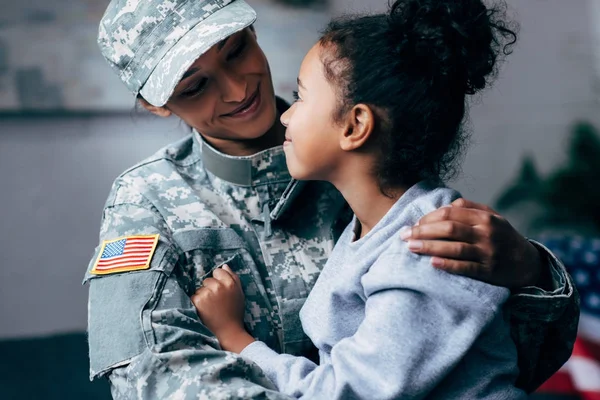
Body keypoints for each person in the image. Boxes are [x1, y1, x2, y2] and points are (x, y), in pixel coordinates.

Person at [85, 0, 577, 398]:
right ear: (158, 104)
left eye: (236, 52)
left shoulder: (369, 163)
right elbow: (152, 378)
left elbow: (486, 358)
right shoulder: (144, 204)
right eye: (195, 86)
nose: (237, 90)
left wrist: (529, 272)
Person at [190, 0, 533, 398]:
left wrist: (237, 341)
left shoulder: (427, 249)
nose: (285, 116)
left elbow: (345, 392)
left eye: (300, 98)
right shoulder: (370, 227)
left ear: (355, 126)